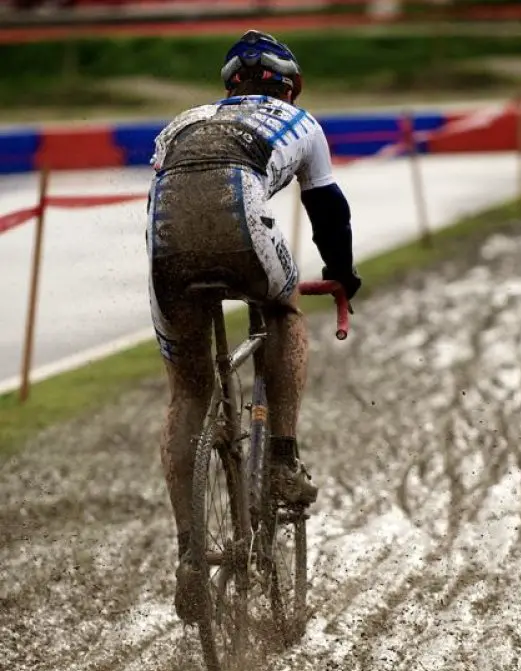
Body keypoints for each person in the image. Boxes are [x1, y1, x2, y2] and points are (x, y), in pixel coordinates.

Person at [146, 30, 361, 622]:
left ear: (229, 85)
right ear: (289, 86)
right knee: (285, 311)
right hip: (243, 220)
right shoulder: (301, 122)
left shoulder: (182, 121)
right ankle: (285, 458)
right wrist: (341, 275)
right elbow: (329, 209)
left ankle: (192, 552)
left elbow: (165, 193)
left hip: (166, 244)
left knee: (187, 392)